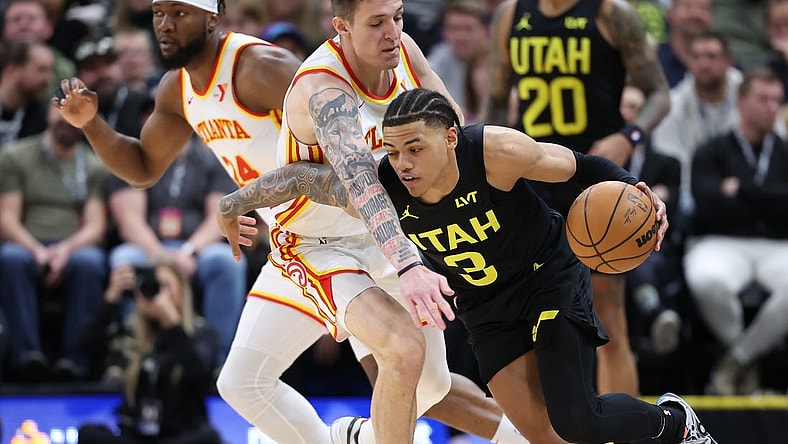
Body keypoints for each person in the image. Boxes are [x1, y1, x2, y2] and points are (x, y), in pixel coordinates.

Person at [52, 0, 525, 442]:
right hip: (302, 237)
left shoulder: (261, 69)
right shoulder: (176, 89)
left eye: (178, 13)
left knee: (417, 383)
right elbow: (142, 168)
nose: (165, 25)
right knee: (244, 382)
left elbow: (355, 156)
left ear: (212, 18)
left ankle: (520, 434)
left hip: (366, 226)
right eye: (158, 13)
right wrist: (90, 124)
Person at [217, 87, 718, 444]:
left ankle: (674, 422)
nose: (403, 162)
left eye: (415, 147)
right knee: (540, 435)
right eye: (394, 150)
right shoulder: (386, 187)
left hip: (547, 280)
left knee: (577, 421)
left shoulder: (494, 152)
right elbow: (302, 178)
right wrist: (233, 203)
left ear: (451, 138)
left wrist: (636, 192)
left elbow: (581, 168)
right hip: (485, 307)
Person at [485, 0, 671, 397]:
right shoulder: (510, 15)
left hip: (593, 179)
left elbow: (659, 94)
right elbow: (498, 99)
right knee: (525, 322)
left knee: (610, 322)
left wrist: (629, 136)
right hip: (530, 175)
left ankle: (628, 434)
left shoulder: (611, 13)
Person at [685, 67, 788, 396]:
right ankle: (747, 362)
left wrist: (741, 189)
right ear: (741, 102)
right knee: (707, 280)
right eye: (763, 99)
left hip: (777, 244)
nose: (771, 107)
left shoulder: (785, 152)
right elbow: (708, 205)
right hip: (720, 242)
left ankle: (735, 363)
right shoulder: (711, 150)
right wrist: (768, 196)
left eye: (776, 100)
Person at [107, 135, 246, 367]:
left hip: (197, 248)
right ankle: (128, 355)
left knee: (228, 261)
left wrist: (190, 252)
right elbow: (129, 219)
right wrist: (159, 256)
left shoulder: (214, 156)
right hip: (148, 247)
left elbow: (221, 216)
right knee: (124, 259)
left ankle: (219, 361)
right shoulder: (131, 155)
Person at [0, 104, 109, 382]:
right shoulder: (16, 156)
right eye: (62, 114)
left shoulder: (94, 164)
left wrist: (64, 250)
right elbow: (7, 219)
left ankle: (75, 361)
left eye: (75, 117)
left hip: (72, 245)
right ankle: (27, 356)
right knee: (11, 258)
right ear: (49, 112)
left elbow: (96, 226)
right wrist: (38, 250)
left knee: (90, 262)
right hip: (27, 242)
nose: (67, 123)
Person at [77, 259, 222, 444]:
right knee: (88, 433)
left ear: (182, 291)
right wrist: (111, 299)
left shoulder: (202, 334)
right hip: (134, 437)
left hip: (180, 436)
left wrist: (172, 323)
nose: (158, 293)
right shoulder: (129, 334)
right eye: (153, 286)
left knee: (209, 438)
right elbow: (84, 346)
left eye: (165, 286)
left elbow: (198, 375)